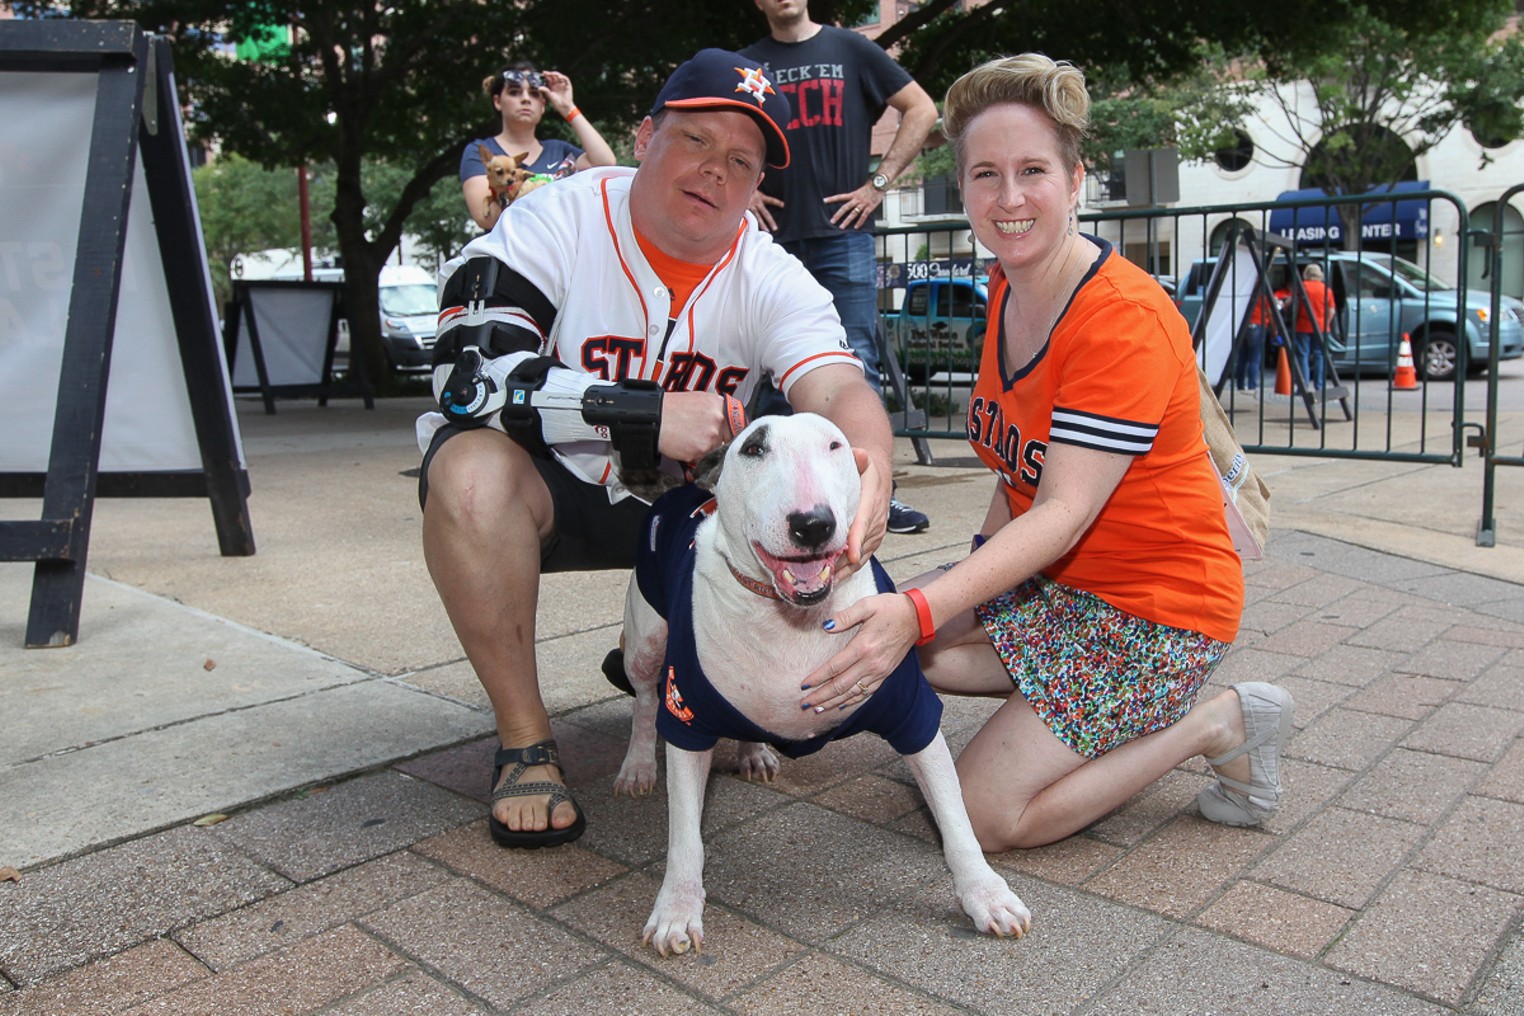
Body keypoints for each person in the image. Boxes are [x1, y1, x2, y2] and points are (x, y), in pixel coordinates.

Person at [794, 54, 1294, 851]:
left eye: (1034, 171)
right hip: (1062, 594)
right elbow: (1016, 479)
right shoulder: (1006, 288)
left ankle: (1214, 723)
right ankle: (1065, 710)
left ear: (1076, 179)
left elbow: (1061, 512)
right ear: (961, 190)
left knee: (986, 817)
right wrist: (956, 591)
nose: (1011, 197)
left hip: (1158, 613)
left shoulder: (1119, 316)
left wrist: (926, 605)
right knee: (883, 648)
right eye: (986, 175)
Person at [418, 48, 895, 849]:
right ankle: (527, 741)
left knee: (782, 496)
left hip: (683, 512)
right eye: (696, 141)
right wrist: (638, 410)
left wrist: (870, 463)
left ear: (757, 188)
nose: (715, 171)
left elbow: (838, 386)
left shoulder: (767, 271)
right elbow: (465, 380)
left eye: (741, 161)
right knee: (467, 473)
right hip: (555, 488)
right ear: (645, 137)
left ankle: (693, 666)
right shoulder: (555, 216)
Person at [741, 0, 938, 535]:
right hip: (767, 243)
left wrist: (879, 185)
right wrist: (743, 192)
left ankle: (872, 498)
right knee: (771, 379)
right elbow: (721, 133)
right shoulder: (745, 65)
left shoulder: (850, 48)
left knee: (856, 365)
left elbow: (921, 109)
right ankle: (779, 504)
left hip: (842, 237)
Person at [460, 61, 618, 232]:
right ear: (498, 101)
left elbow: (605, 163)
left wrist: (567, 107)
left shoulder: (559, 150)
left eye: (535, 94)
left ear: (543, 105)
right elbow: (487, 217)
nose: (526, 99)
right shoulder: (481, 152)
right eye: (515, 92)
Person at [1294, 262, 1335, 390]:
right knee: (1320, 356)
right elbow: (1331, 311)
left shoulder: (1302, 287)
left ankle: (1303, 386)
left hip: (1303, 325)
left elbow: (1292, 303)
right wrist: (1325, 323)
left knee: (1303, 355)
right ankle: (1320, 386)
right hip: (1321, 326)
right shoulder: (1326, 290)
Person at [1235, 291, 1272, 392]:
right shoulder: (1263, 294)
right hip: (1258, 324)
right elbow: (1269, 311)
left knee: (1242, 358)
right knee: (1254, 359)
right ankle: (1252, 386)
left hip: (1243, 325)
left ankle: (1240, 385)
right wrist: (1274, 329)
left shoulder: (1244, 291)